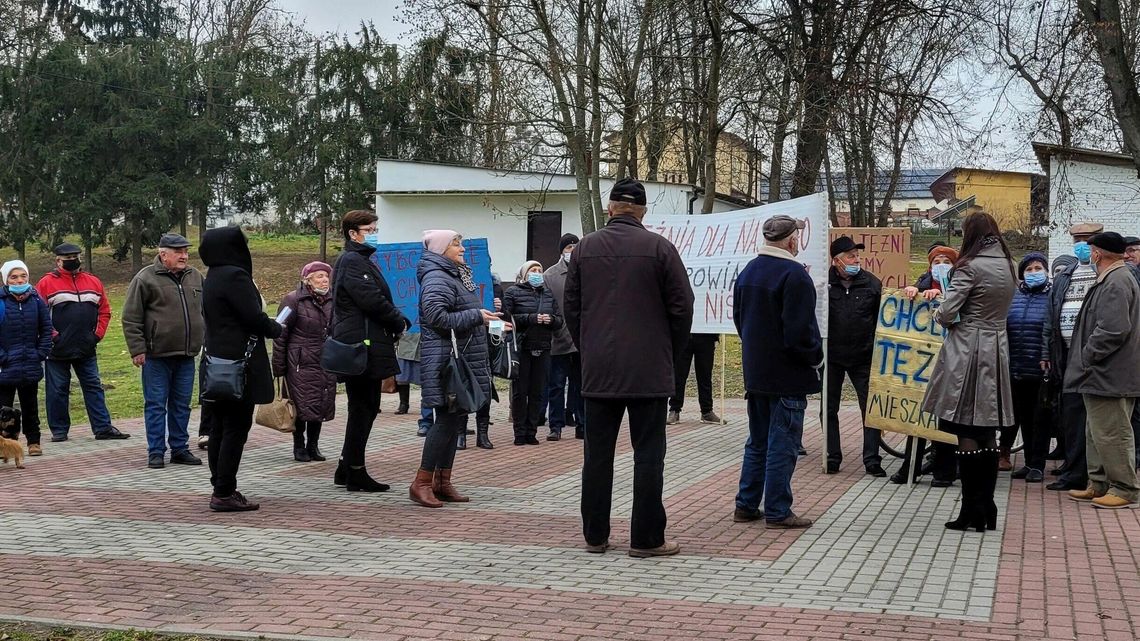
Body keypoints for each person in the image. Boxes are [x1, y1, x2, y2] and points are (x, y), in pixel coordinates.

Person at [565, 178, 693, 557]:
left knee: (597, 456)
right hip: (649, 370)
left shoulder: (584, 249)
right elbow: (682, 307)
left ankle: (595, 535)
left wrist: (588, 345)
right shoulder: (660, 248)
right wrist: (668, 348)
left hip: (599, 369)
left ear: (609, 208)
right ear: (643, 211)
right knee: (649, 455)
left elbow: (572, 307)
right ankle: (646, 538)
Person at [922, 212, 1017, 533]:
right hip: (997, 347)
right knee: (986, 428)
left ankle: (970, 509)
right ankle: (985, 506)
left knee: (964, 425)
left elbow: (948, 311)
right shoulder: (1007, 263)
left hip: (968, 351)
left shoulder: (970, 266)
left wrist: (940, 313)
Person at [732, 215, 821, 529]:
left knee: (757, 441)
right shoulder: (794, 275)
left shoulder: (748, 272)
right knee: (782, 444)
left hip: (757, 373)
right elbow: (800, 332)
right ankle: (778, 509)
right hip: (787, 375)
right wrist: (815, 358)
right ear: (792, 240)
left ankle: (746, 504)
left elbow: (739, 321)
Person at [409, 230, 496, 508]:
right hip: (445, 361)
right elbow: (436, 316)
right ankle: (421, 483)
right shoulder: (437, 277)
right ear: (440, 249)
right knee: (445, 420)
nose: (462, 248)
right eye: (455, 244)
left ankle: (442, 482)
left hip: (458, 358)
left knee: (454, 419)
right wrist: (476, 316)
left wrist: (487, 318)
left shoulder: (453, 275)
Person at [199, 226, 282, 512]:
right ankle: (224, 491)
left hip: (217, 362)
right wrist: (275, 327)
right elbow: (252, 317)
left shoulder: (212, 276)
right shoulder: (235, 276)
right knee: (235, 428)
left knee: (219, 427)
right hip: (239, 364)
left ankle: (220, 484)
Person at [329, 210, 408, 493]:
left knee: (364, 407)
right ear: (353, 234)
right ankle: (355, 471)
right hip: (362, 346)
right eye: (369, 228)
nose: (375, 232)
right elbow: (370, 300)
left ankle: (345, 465)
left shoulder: (360, 260)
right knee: (364, 408)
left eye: (376, 228)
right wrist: (398, 319)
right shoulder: (352, 261)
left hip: (366, 344)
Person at [1064, 232, 1140, 508]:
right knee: (1096, 431)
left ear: (1099, 253)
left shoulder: (1117, 281)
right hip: (1100, 373)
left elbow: (1114, 329)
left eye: (1091, 248)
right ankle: (1098, 484)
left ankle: (1124, 489)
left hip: (1111, 372)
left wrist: (1087, 355)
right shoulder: (1110, 278)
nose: (1089, 253)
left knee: (1113, 431)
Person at [122, 234, 205, 469]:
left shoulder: (196, 276)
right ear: (163, 254)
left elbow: (206, 309)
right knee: (156, 404)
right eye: (178, 251)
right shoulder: (145, 278)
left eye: (186, 251)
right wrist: (137, 349)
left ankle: (180, 448)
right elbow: (131, 317)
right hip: (156, 355)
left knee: (182, 405)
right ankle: (156, 451)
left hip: (187, 355)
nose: (184, 256)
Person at [37, 243, 129, 442]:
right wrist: (53, 337)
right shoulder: (46, 283)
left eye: (75, 256)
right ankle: (59, 431)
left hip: (86, 346)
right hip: (57, 348)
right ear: (58, 260)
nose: (72, 260)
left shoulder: (93, 282)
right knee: (57, 390)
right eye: (67, 257)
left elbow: (104, 311)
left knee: (94, 386)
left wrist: (97, 335)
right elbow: (40, 315)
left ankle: (103, 428)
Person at [893, 244, 960, 486]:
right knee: (918, 417)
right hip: (921, 364)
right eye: (936, 262)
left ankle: (945, 470)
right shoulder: (922, 284)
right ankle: (909, 466)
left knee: (946, 418)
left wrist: (943, 298)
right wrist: (914, 292)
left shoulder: (962, 287)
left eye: (947, 261)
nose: (941, 266)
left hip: (953, 363)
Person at [1043, 222, 1103, 492]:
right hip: (1065, 355)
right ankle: (1074, 469)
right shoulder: (1066, 274)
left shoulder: (1105, 274)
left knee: (1095, 418)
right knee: (1071, 415)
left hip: (1094, 358)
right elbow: (1050, 317)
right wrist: (1047, 353)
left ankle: (1094, 474)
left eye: (1087, 240)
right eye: (1077, 239)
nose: (1082, 244)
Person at [824, 235, 884, 476]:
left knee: (870, 409)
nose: (856, 260)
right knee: (828, 408)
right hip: (832, 357)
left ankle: (872, 459)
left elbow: (882, 320)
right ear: (837, 261)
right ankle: (831, 457)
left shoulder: (871, 283)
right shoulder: (823, 284)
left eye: (857, 256)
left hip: (864, 357)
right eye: (851, 256)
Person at [272, 261, 337, 463]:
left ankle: (313, 445)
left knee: (320, 402)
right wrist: (279, 366)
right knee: (300, 404)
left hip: (325, 361)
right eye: (319, 276)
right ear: (307, 279)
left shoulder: (333, 300)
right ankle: (299, 445)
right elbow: (279, 331)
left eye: (326, 276)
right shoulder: (293, 300)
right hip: (299, 363)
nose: (324, 280)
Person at [1003, 252, 1052, 482]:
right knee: (1023, 418)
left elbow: (1050, 331)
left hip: (1040, 367)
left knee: (1040, 418)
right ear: (1021, 274)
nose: (1034, 273)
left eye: (1038, 268)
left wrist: (1046, 356)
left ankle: (1038, 465)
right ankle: (1029, 461)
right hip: (1016, 366)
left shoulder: (1051, 296)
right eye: (1029, 269)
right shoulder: (1014, 296)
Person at [504, 260, 563, 444]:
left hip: (543, 347)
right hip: (522, 347)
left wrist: (550, 320)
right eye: (533, 270)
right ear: (524, 273)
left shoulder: (547, 294)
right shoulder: (513, 292)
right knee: (520, 392)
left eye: (539, 270)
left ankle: (532, 431)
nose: (537, 273)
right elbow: (507, 318)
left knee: (538, 391)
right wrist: (531, 318)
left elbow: (559, 320)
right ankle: (519, 432)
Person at [0, 260, 51, 456]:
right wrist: (2, 358)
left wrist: (40, 353)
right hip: (6, 366)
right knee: (3, 409)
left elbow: (46, 329)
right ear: (6, 279)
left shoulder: (37, 301)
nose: (19, 280)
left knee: (30, 407)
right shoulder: (1, 301)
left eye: (23, 276)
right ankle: (7, 446)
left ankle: (33, 441)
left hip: (30, 363)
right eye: (14, 277)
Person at [545, 234, 585, 439]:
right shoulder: (550, 275)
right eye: (569, 247)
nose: (572, 250)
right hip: (558, 340)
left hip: (581, 341)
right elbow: (546, 306)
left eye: (575, 246)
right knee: (556, 386)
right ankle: (556, 426)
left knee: (581, 386)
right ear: (562, 250)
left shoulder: (587, 272)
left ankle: (582, 425)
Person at [667, 334, 721, 426]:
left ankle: (707, 411)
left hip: (706, 336)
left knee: (705, 376)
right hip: (684, 335)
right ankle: (674, 410)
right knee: (679, 376)